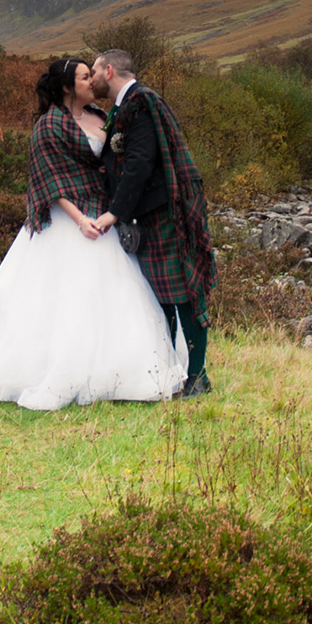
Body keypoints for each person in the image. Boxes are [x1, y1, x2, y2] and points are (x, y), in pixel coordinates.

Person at [0, 57, 186, 411]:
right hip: (67, 221)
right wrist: (80, 219)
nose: (91, 82)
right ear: (68, 86)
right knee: (62, 297)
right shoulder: (49, 125)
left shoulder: (102, 118)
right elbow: (49, 178)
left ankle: (121, 369)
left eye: (91, 75)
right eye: (84, 77)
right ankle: (52, 368)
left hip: (102, 215)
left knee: (111, 293)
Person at [91, 48, 216, 398]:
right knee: (161, 295)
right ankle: (175, 370)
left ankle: (197, 376)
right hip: (149, 211)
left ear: (109, 70)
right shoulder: (124, 105)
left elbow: (141, 162)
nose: (93, 77)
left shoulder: (141, 102)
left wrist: (116, 211)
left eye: (95, 70)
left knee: (183, 293)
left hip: (164, 211)